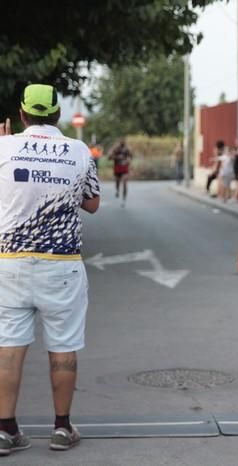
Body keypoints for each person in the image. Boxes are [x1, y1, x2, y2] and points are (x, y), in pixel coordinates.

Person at [0, 84, 100, 456]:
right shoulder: (78, 151)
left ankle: (6, 430)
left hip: (10, 263)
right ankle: (61, 428)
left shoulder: (3, 148)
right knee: (64, 346)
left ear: (23, 114)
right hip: (61, 265)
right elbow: (92, 203)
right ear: (57, 115)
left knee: (9, 346)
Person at [108, 138, 132, 207]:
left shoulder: (127, 149)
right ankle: (117, 190)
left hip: (125, 168)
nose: (121, 143)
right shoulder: (115, 149)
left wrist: (128, 160)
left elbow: (131, 156)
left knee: (124, 183)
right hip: (117, 167)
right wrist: (116, 157)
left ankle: (124, 200)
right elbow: (109, 157)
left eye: (123, 142)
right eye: (120, 142)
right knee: (117, 181)